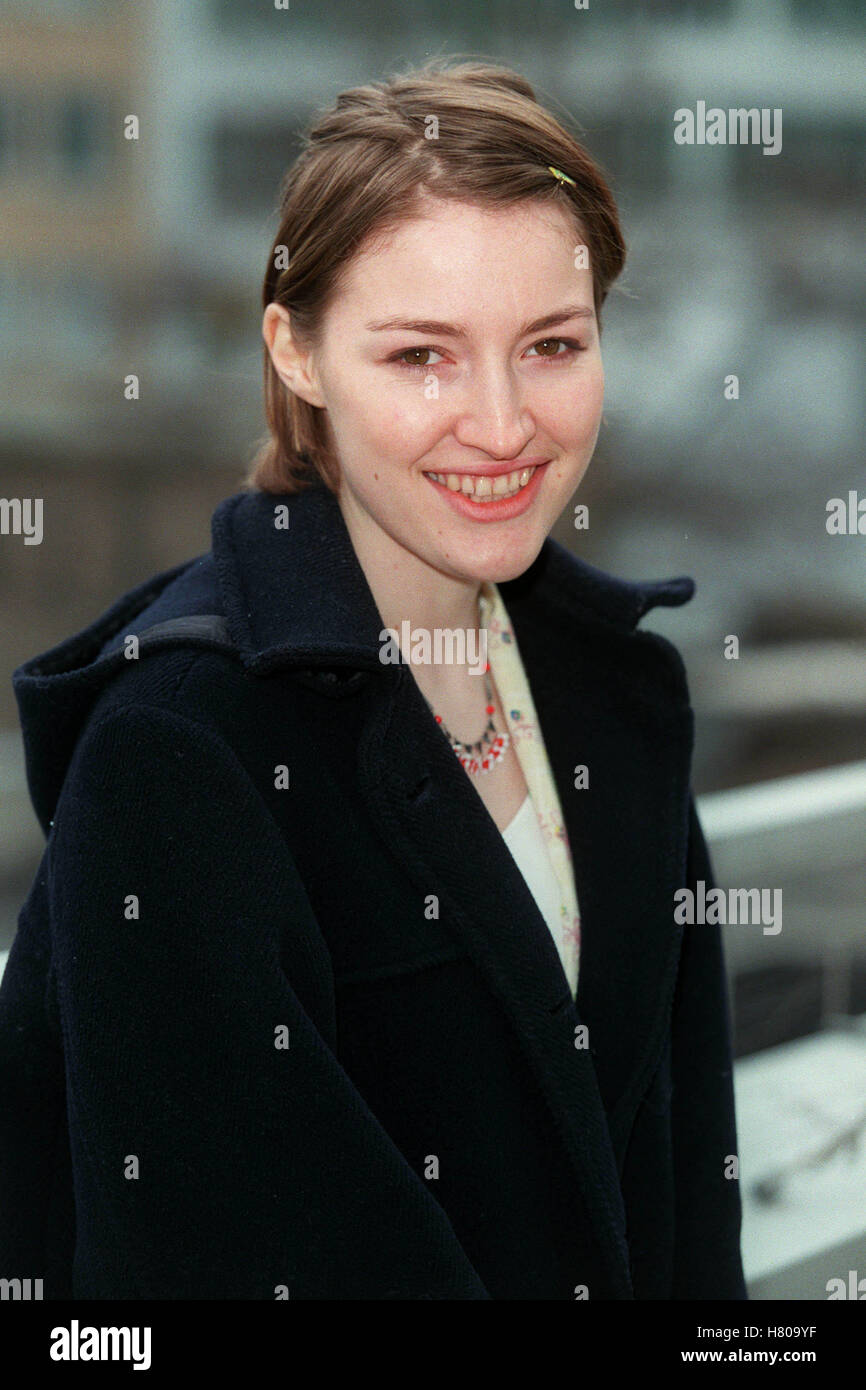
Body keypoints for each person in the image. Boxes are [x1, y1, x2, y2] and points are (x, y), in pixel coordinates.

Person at [0, 60, 746, 1300]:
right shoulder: (183, 759)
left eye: (550, 344)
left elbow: (683, 1201)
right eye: (422, 356)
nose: (503, 424)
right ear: (294, 352)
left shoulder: (614, 694)